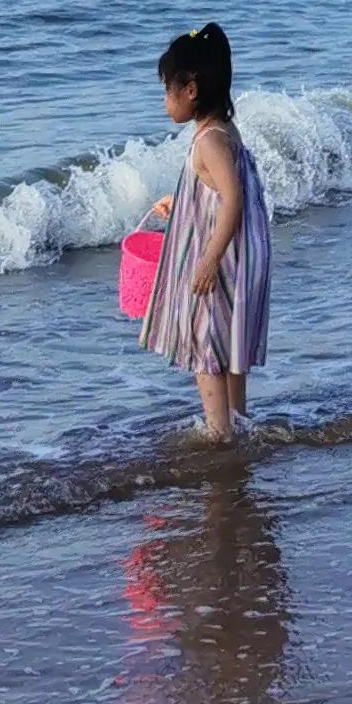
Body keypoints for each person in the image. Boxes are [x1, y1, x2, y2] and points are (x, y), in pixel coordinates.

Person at [142, 22, 270, 438]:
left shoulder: (207, 142)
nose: (165, 101)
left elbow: (231, 198)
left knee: (204, 346)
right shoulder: (224, 132)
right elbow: (219, 195)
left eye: (167, 90)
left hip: (224, 261)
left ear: (190, 91)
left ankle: (219, 435)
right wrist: (182, 205)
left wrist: (208, 259)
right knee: (227, 344)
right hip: (244, 257)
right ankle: (238, 420)